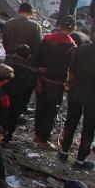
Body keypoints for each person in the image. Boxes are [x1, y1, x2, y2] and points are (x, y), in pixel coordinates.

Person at [34, 15, 77, 150]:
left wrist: (37, 77)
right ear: (73, 28)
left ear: (60, 25)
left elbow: (38, 57)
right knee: (51, 111)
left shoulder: (47, 39)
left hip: (42, 78)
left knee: (40, 107)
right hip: (57, 83)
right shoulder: (71, 45)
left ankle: (37, 134)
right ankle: (43, 140)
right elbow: (71, 67)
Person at [59, 35, 95, 169]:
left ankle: (63, 152)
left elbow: (72, 70)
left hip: (76, 90)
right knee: (89, 128)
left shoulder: (81, 49)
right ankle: (80, 161)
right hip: (92, 95)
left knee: (71, 121)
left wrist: (68, 84)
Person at [3, 45, 39, 143]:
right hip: (19, 102)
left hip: (4, 98)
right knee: (12, 119)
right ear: (28, 57)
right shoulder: (32, 73)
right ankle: (8, 136)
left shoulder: (7, 66)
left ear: (15, 53)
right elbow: (31, 88)